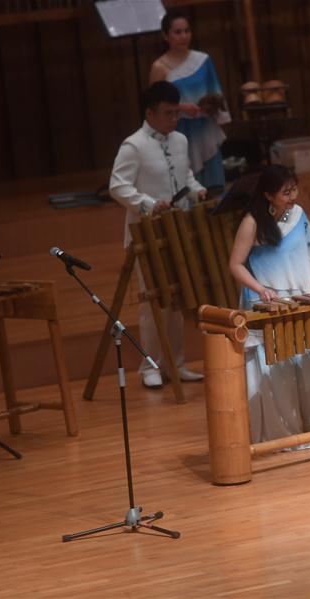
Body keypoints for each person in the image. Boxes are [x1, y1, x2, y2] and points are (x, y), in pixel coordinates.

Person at [109, 80, 207, 388]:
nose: (173, 119)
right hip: (147, 233)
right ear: (149, 113)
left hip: (178, 230)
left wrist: (197, 190)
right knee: (154, 304)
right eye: (167, 113)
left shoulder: (179, 140)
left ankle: (175, 363)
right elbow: (117, 186)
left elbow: (184, 174)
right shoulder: (133, 145)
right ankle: (149, 366)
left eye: (176, 113)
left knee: (176, 301)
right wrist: (149, 205)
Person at [229, 165, 310, 449]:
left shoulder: (299, 215)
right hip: (268, 303)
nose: (293, 196)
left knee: (303, 366)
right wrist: (260, 289)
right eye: (286, 192)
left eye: (294, 189)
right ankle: (283, 435)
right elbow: (235, 264)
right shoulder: (252, 222)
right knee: (278, 374)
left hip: (299, 300)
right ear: (268, 195)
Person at [150, 9, 230, 191]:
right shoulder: (159, 67)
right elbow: (154, 105)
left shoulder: (203, 60)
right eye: (178, 32)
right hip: (178, 132)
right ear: (165, 35)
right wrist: (180, 107)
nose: (184, 36)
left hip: (206, 129)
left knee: (214, 186)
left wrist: (212, 108)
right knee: (188, 188)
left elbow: (216, 93)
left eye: (187, 31)